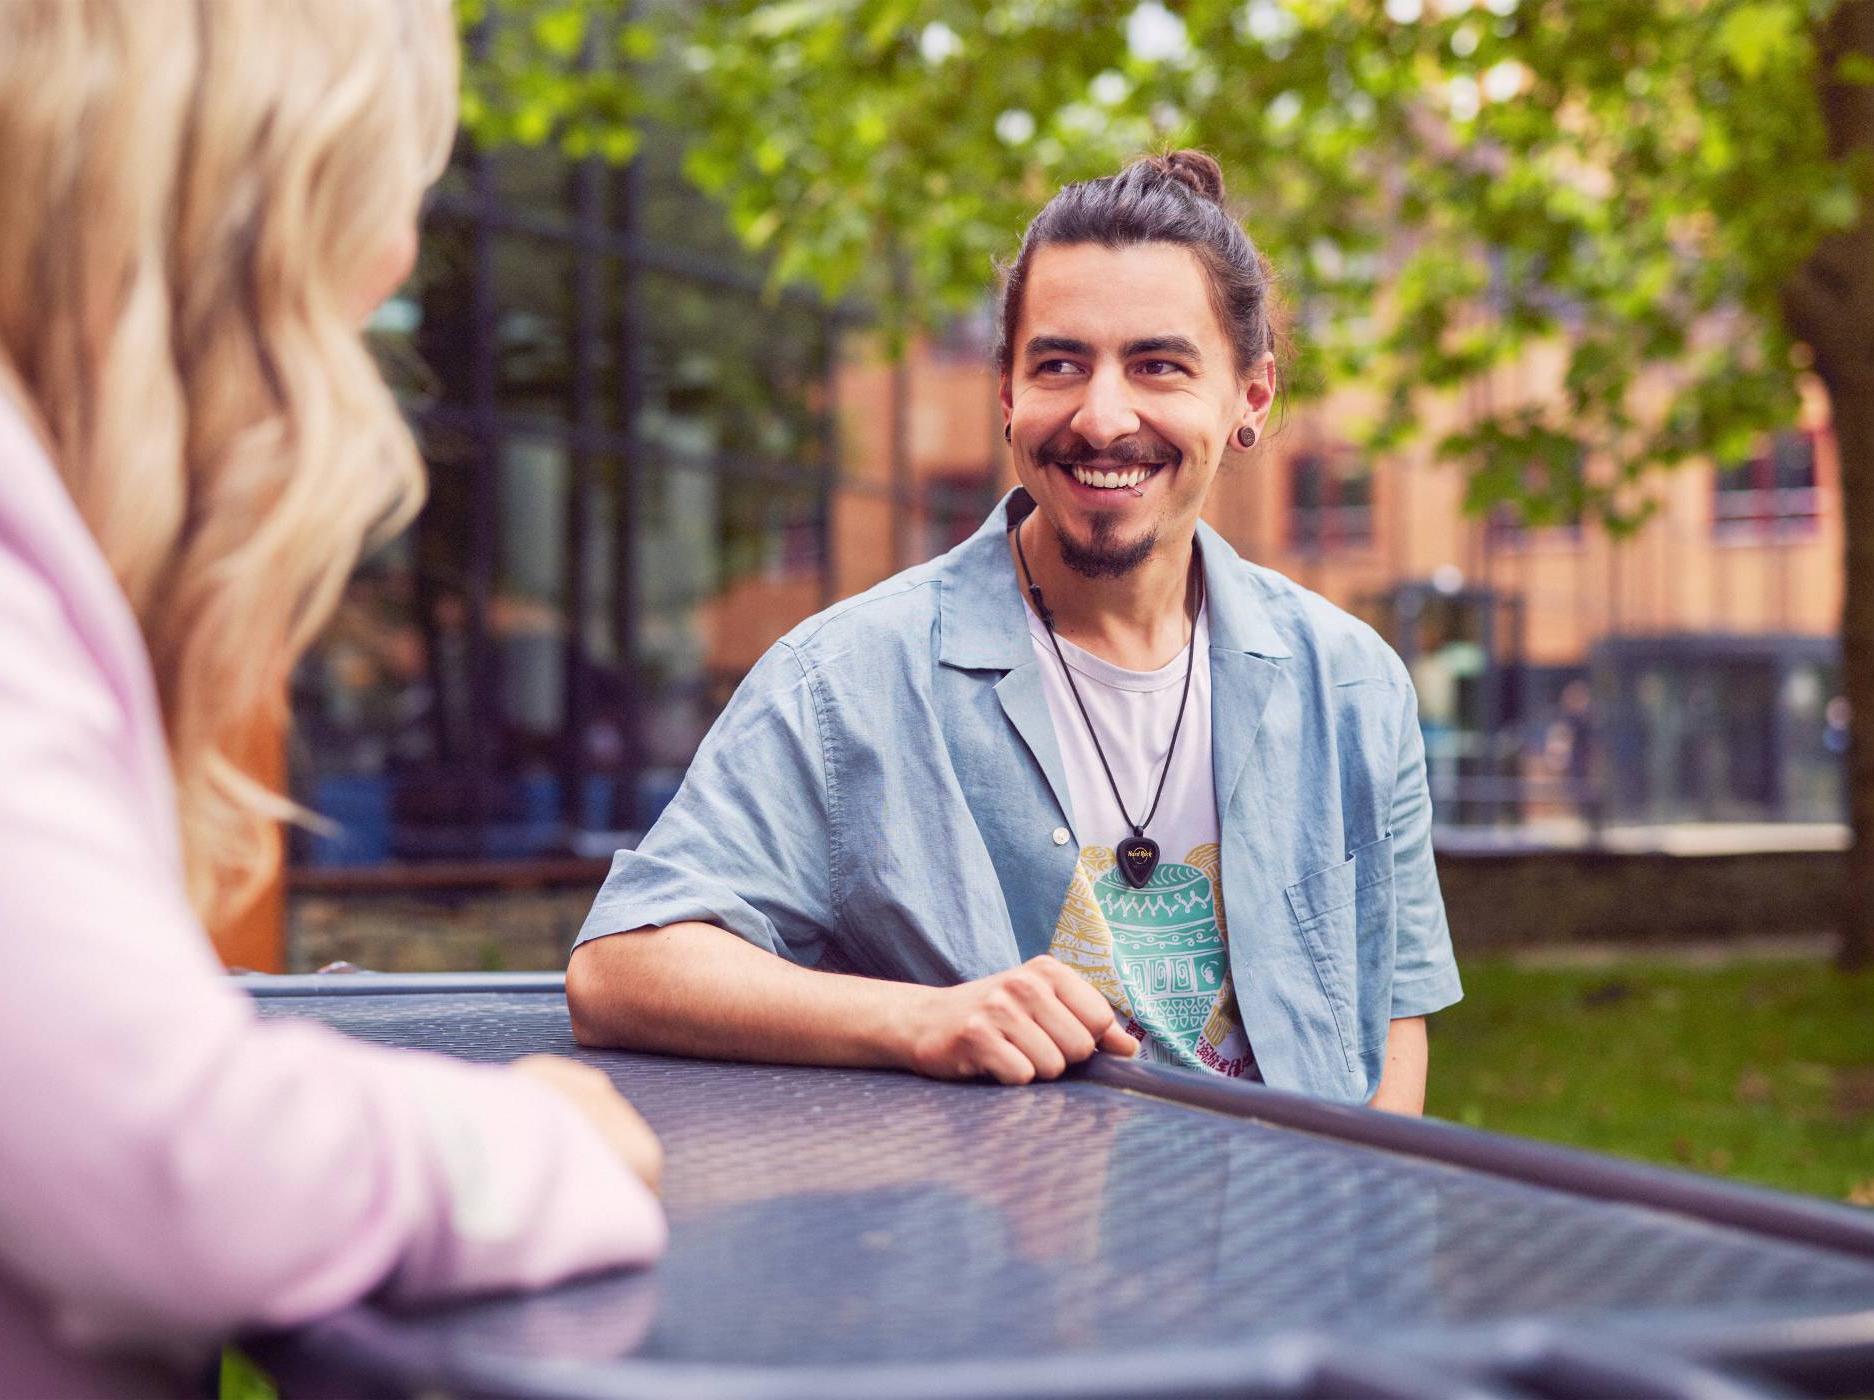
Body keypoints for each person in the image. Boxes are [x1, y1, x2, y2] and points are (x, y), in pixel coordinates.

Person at [0, 3, 663, 1396]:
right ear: (224, 187)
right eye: (376, 196)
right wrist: (530, 1141)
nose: (389, 259)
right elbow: (154, 1162)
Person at [568, 151, 1460, 1110]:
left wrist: (1368, 1227)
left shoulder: (1355, 683)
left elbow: (1393, 1011)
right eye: (1060, 364)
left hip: (1288, 1243)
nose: (1102, 416)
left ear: (1251, 397)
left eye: (1158, 365)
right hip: (1004, 1249)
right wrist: (924, 1021)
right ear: (1006, 394)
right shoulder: (847, 682)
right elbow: (623, 968)